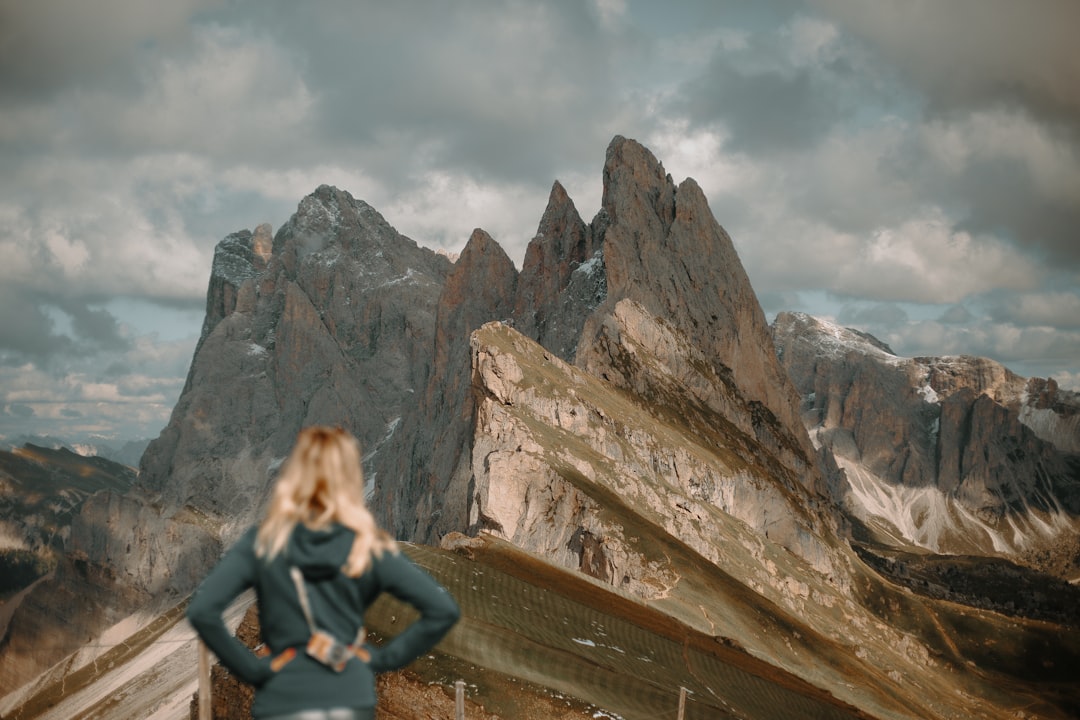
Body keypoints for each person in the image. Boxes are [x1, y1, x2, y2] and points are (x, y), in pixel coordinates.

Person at [187, 425, 460, 720]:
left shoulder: (264, 541)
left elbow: (203, 611)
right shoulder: (367, 545)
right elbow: (442, 610)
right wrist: (381, 659)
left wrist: (254, 669)